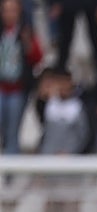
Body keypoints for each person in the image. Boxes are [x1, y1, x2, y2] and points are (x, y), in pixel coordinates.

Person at [0, 0, 44, 155]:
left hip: (18, 89)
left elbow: (38, 57)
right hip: (1, 87)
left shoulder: (26, 31)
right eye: (6, 10)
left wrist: (27, 42)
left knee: (13, 131)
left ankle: (10, 172)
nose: (9, 15)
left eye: (13, 10)